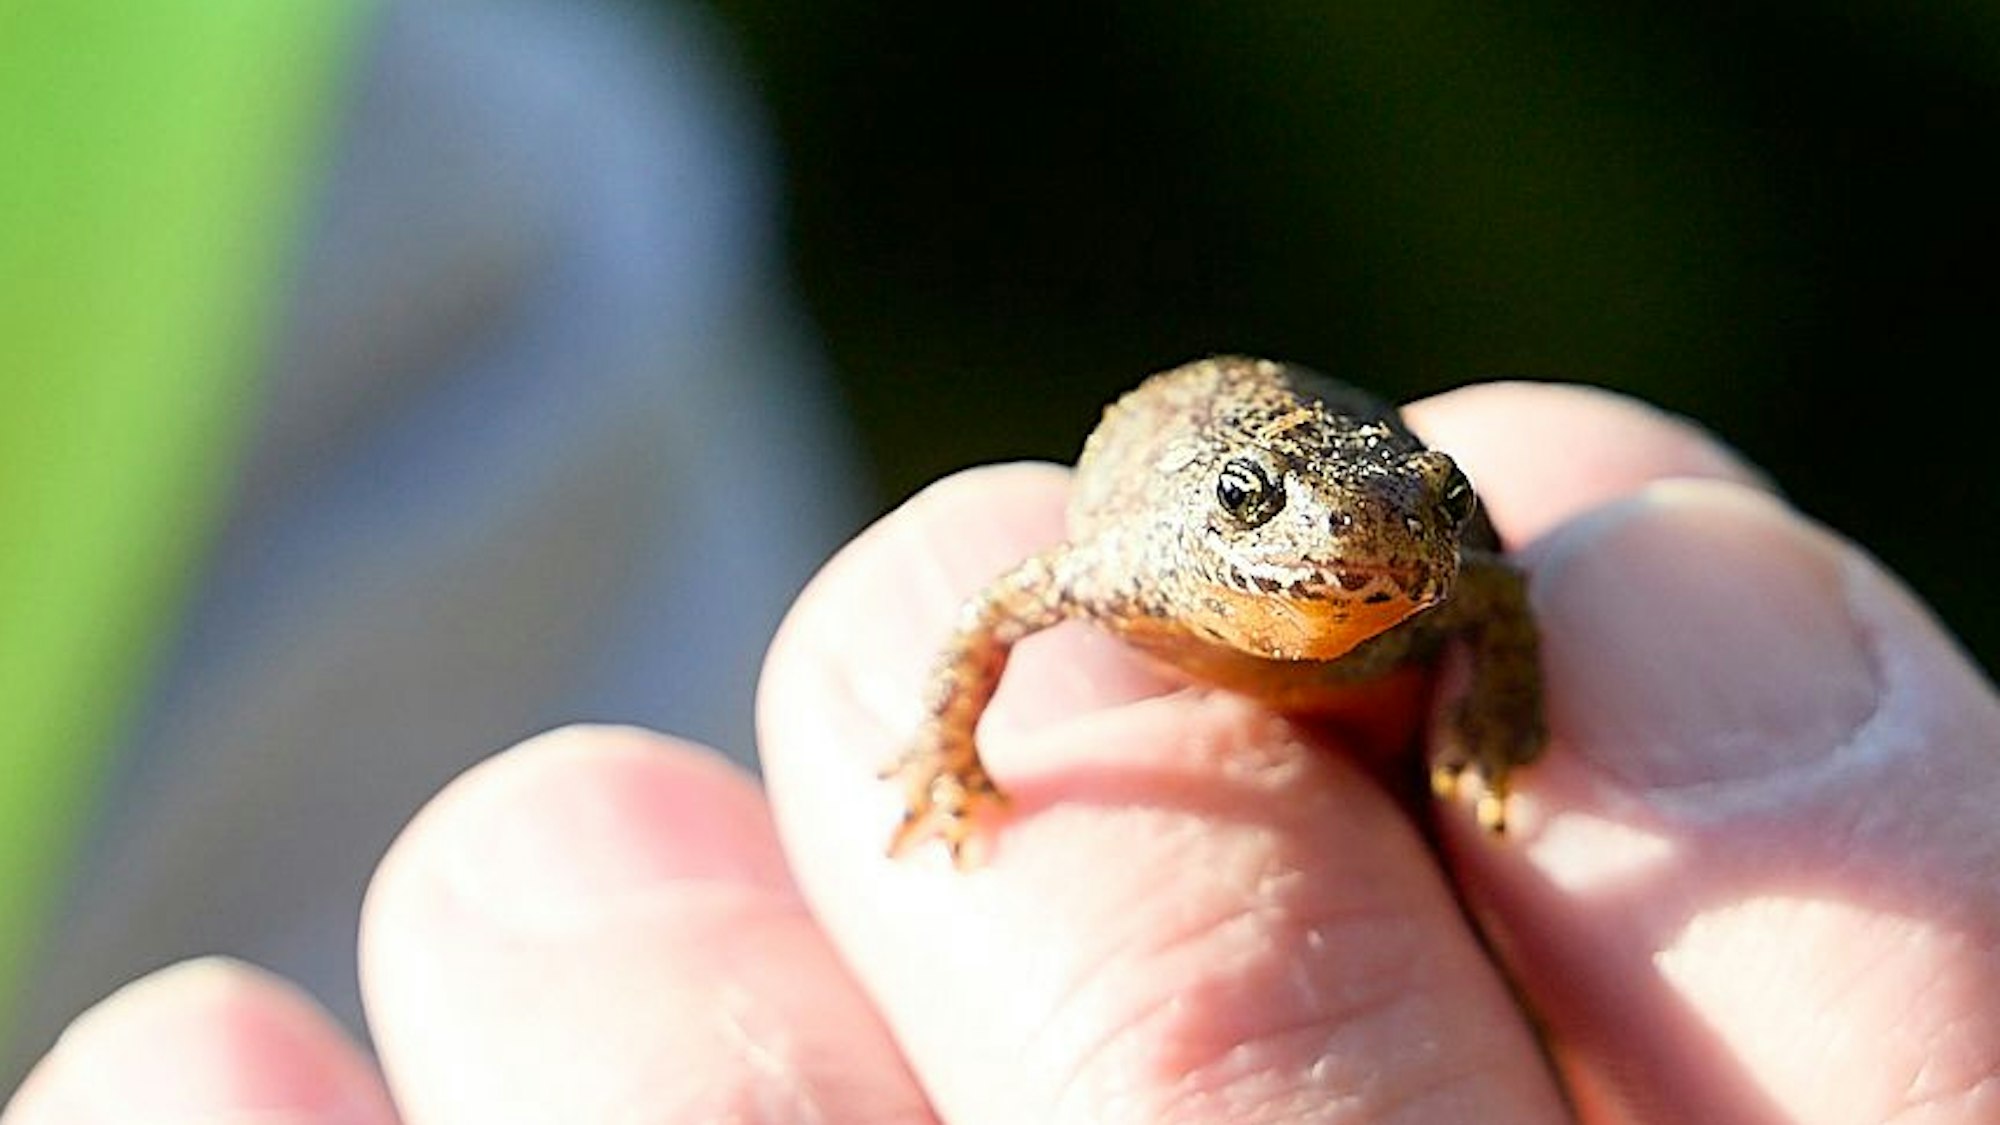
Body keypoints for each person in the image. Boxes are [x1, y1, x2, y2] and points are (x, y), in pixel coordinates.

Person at [8, 381, 1996, 1123]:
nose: (1359, 548)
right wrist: (951, 761)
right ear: (1214, 517)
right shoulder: (1135, 555)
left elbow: (1494, 596)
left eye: (1406, 517)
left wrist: (1502, 707)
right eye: (1287, 518)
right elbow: (990, 610)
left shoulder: (1427, 564)